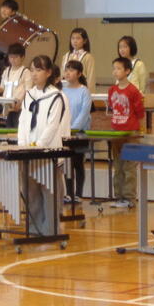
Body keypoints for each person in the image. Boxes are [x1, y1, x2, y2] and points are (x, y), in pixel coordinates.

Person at [17, 55, 67, 235]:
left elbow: (52, 126)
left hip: (47, 152)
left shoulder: (56, 96)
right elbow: (23, 121)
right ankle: (34, 228)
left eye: (38, 70)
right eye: (32, 70)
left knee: (49, 193)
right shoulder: (29, 95)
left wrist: (38, 146)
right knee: (31, 193)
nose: (34, 74)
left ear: (48, 72)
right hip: (28, 152)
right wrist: (23, 145)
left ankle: (50, 230)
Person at [108, 57, 145, 208]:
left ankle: (129, 198)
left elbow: (140, 112)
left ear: (127, 71)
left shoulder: (133, 90)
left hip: (130, 133)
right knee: (118, 166)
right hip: (116, 132)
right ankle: (119, 196)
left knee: (129, 167)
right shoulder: (112, 90)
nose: (115, 71)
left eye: (119, 68)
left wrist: (138, 131)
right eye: (114, 68)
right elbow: (112, 108)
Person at [62, 60, 91, 202]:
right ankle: (69, 193)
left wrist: (74, 128)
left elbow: (84, 112)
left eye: (72, 70)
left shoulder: (84, 91)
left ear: (79, 74)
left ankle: (78, 194)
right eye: (67, 70)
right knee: (67, 164)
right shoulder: (62, 90)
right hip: (65, 133)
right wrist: (64, 129)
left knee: (78, 163)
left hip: (80, 133)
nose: (68, 73)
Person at [0, 43, 32, 128]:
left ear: (22, 57)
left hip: (19, 107)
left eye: (15, 57)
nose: (13, 59)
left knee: (18, 129)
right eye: (11, 57)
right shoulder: (6, 71)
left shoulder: (26, 72)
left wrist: (20, 102)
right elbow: (1, 88)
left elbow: (28, 91)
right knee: (8, 129)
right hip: (7, 107)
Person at [61, 28, 97, 93]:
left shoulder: (88, 57)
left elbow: (91, 78)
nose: (75, 41)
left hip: (81, 90)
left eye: (78, 38)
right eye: (73, 38)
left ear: (84, 41)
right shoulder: (66, 56)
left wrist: (90, 94)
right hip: (66, 89)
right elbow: (62, 74)